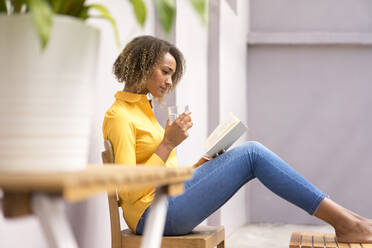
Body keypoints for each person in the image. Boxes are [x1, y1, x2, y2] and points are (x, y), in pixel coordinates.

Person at [103, 35, 372, 243]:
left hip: (166, 203)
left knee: (248, 154)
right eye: (165, 71)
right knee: (252, 153)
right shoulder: (119, 116)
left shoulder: (144, 110)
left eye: (172, 74)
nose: (170, 81)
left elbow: (163, 178)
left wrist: (203, 164)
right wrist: (167, 144)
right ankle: (347, 224)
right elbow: (128, 189)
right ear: (141, 65)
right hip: (154, 217)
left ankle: (351, 220)